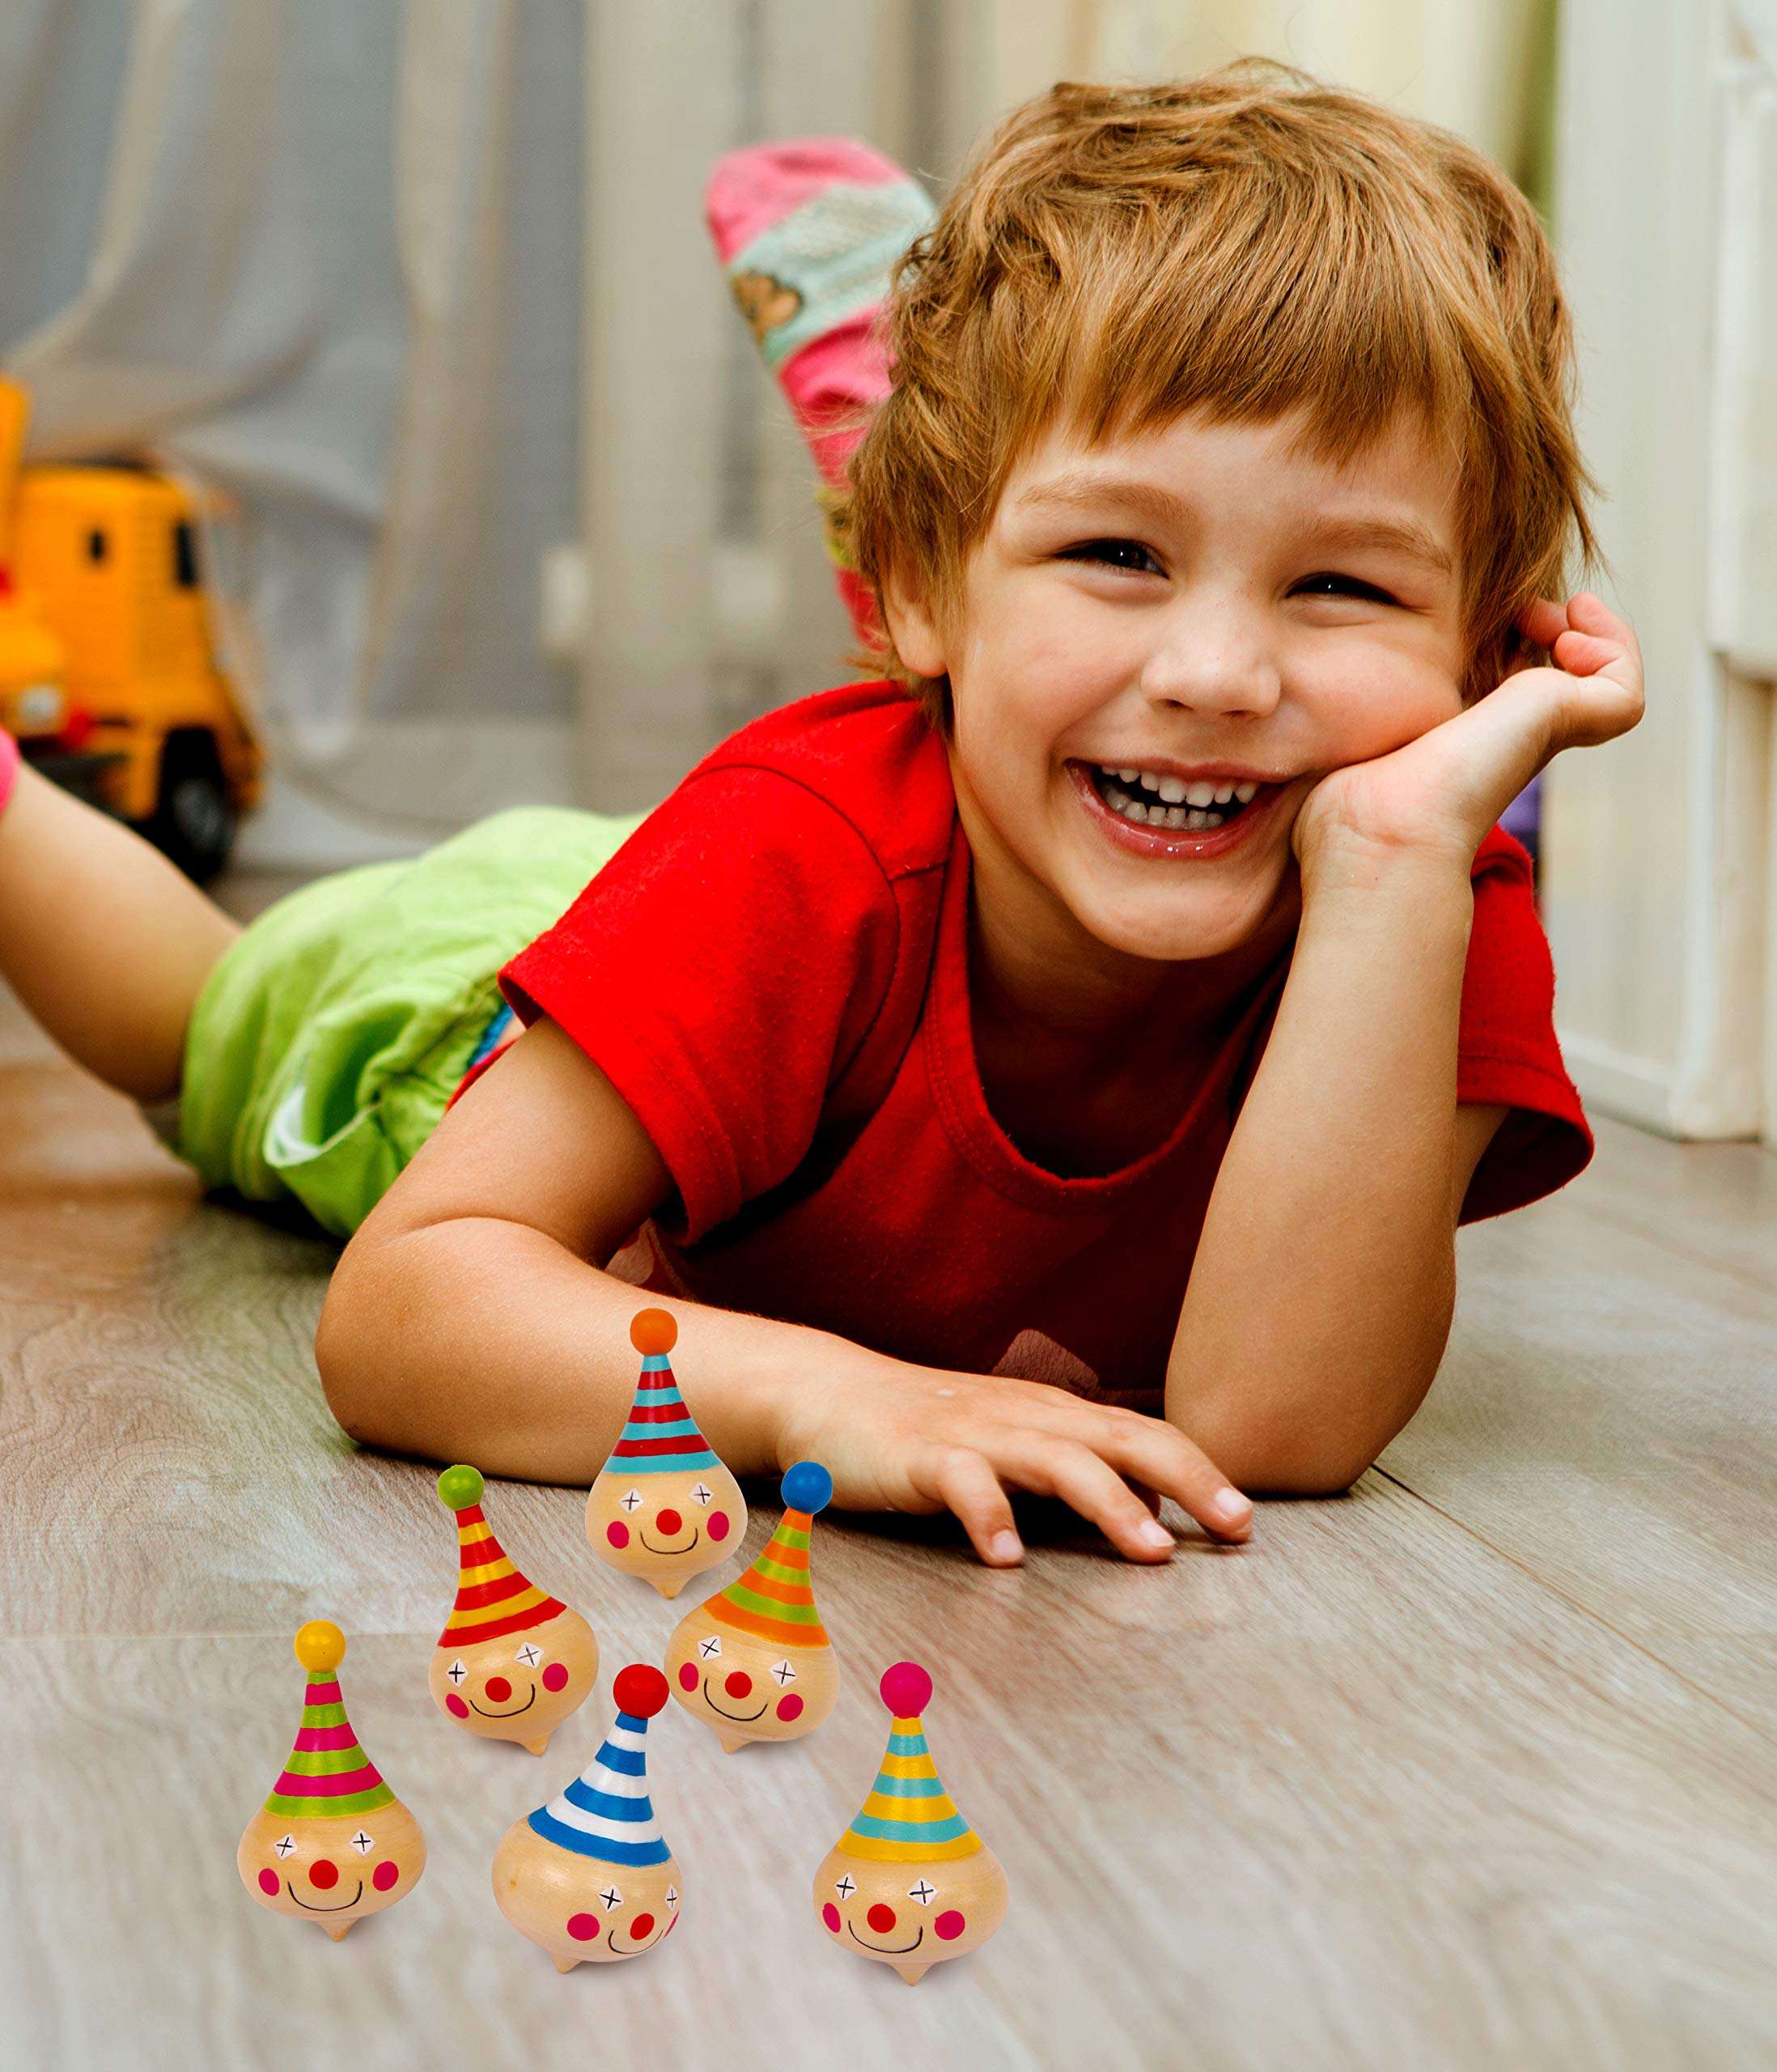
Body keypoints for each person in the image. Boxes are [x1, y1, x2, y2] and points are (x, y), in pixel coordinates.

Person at [0, 62, 1643, 1566]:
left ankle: (949, 456)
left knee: (952, 751)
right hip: (515, 982)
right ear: (912, 598)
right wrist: (821, 1398)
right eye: (1120, 553)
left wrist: (1392, 859)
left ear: (1487, 657)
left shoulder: (1424, 894)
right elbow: (406, 1311)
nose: (1217, 671)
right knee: (196, 1013)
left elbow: (1268, 1429)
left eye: (1341, 584)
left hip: (802, 921)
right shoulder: (794, 847)